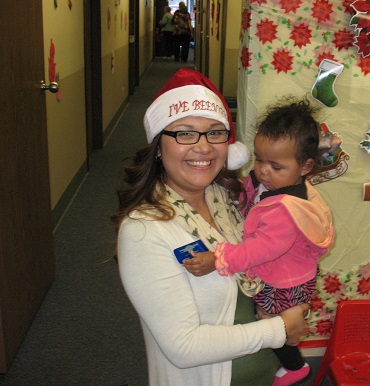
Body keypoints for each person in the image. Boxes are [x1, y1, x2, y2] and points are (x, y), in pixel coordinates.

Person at [113, 69, 310, 386]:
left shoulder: (233, 201)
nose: (203, 147)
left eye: (215, 132)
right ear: (159, 147)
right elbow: (184, 347)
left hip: (267, 373)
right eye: (185, 133)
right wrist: (281, 328)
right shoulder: (145, 230)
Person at [184, 96, 335, 386]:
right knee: (268, 318)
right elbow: (252, 195)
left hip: (285, 282)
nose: (263, 171)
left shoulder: (287, 209)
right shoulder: (273, 181)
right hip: (286, 274)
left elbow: (260, 250)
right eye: (259, 159)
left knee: (273, 323)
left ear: (305, 167)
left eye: (275, 166)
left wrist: (219, 259)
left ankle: (295, 368)